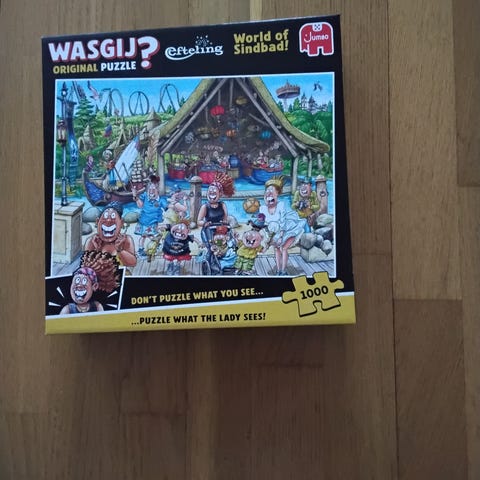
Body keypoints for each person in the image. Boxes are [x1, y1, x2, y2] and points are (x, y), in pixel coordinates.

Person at [260, 176, 305, 276]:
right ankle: (278, 270)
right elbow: (263, 224)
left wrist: (280, 237)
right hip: (274, 233)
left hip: (287, 229)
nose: (269, 192)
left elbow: (283, 222)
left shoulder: (281, 205)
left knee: (283, 248)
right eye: (267, 190)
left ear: (277, 193)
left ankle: (283, 270)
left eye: (272, 190)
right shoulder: (262, 208)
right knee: (276, 249)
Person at [60, 250, 120, 314]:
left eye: (84, 281)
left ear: (95, 286)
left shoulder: (97, 306)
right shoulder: (67, 309)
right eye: (77, 280)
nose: (79, 285)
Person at [84, 202, 137, 268]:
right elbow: (86, 264)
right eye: (105, 216)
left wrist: (119, 250)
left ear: (121, 223)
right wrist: (96, 250)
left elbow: (132, 263)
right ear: (97, 222)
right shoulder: (92, 241)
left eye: (113, 216)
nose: (109, 220)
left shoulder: (125, 240)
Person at [132, 175, 168, 257]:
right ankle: (141, 250)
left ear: (157, 189)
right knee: (145, 236)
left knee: (151, 235)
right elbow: (140, 205)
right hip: (143, 221)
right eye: (150, 189)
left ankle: (156, 246)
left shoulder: (160, 200)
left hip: (153, 222)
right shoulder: (145, 196)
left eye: (153, 189)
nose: (151, 191)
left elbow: (167, 207)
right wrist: (135, 196)